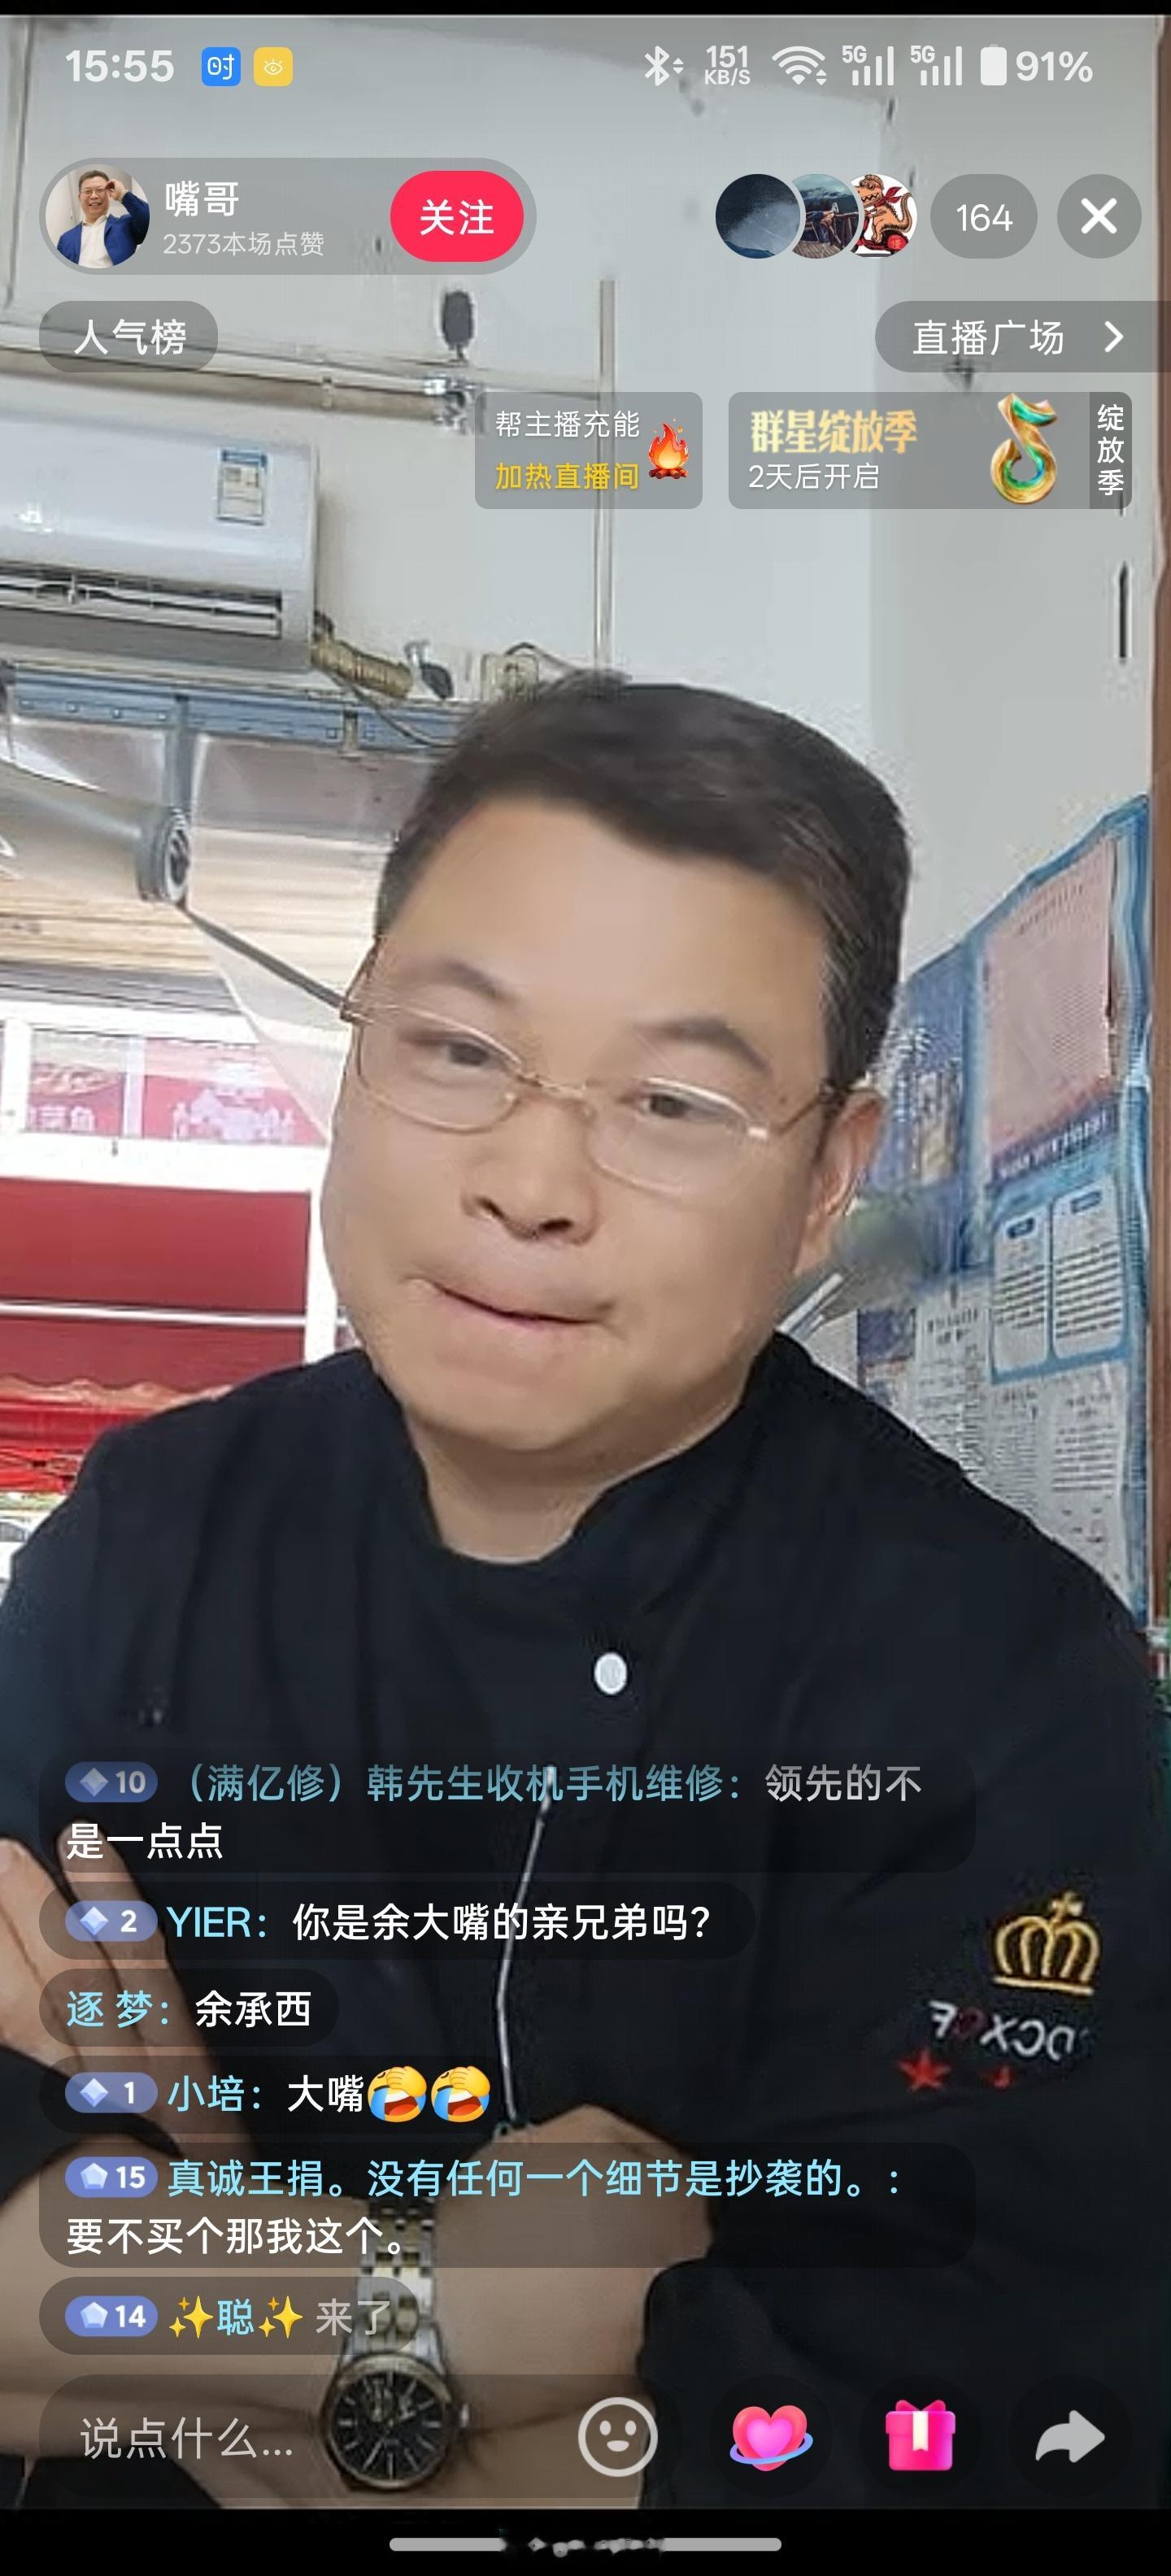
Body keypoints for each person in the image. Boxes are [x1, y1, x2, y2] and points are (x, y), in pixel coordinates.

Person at [0, 674, 1169, 2513]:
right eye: (459, 1048)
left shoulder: (1005, 1683)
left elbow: (963, 2411)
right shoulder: (146, 1531)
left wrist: (201, 2249)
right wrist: (454, 2309)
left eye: (674, 1099)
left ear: (824, 1179)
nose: (531, 1182)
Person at [55, 170, 149, 269]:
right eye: (88, 191)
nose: (94, 196)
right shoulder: (65, 239)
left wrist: (122, 194)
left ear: (109, 194)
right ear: (80, 198)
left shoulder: (127, 224)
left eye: (100, 190)